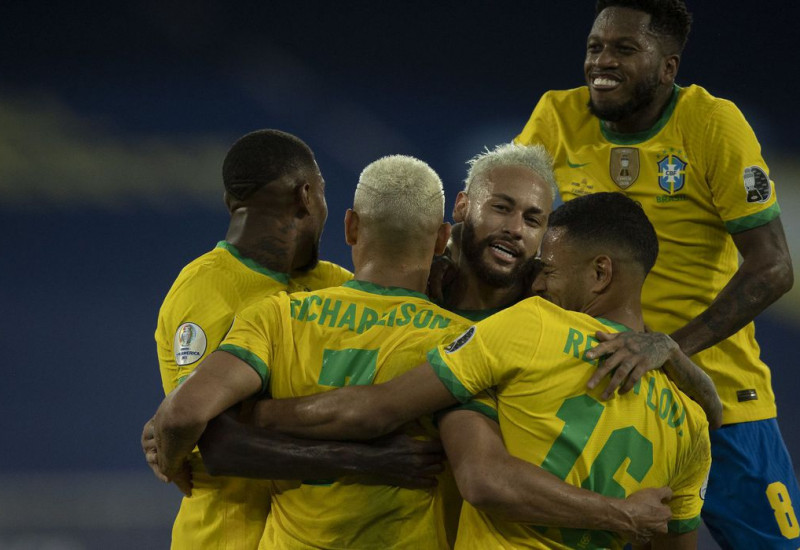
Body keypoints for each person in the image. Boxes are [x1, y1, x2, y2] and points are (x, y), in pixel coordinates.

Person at [152, 159, 682, 548]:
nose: (515, 228)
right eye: (502, 207)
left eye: (533, 219)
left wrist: (669, 348)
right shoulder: (434, 305)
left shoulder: (543, 313)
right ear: (457, 216)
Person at [513, 1, 798, 547]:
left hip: (721, 395)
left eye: (624, 49)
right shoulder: (557, 116)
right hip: (599, 386)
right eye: (596, 47)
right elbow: (511, 223)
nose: (602, 62)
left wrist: (668, 348)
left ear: (668, 67)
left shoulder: (711, 124)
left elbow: (774, 267)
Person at [145, 130, 443, 550]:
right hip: (225, 537)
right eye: (323, 193)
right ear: (306, 195)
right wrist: (365, 463)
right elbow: (217, 441)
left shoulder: (332, 284)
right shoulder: (206, 290)